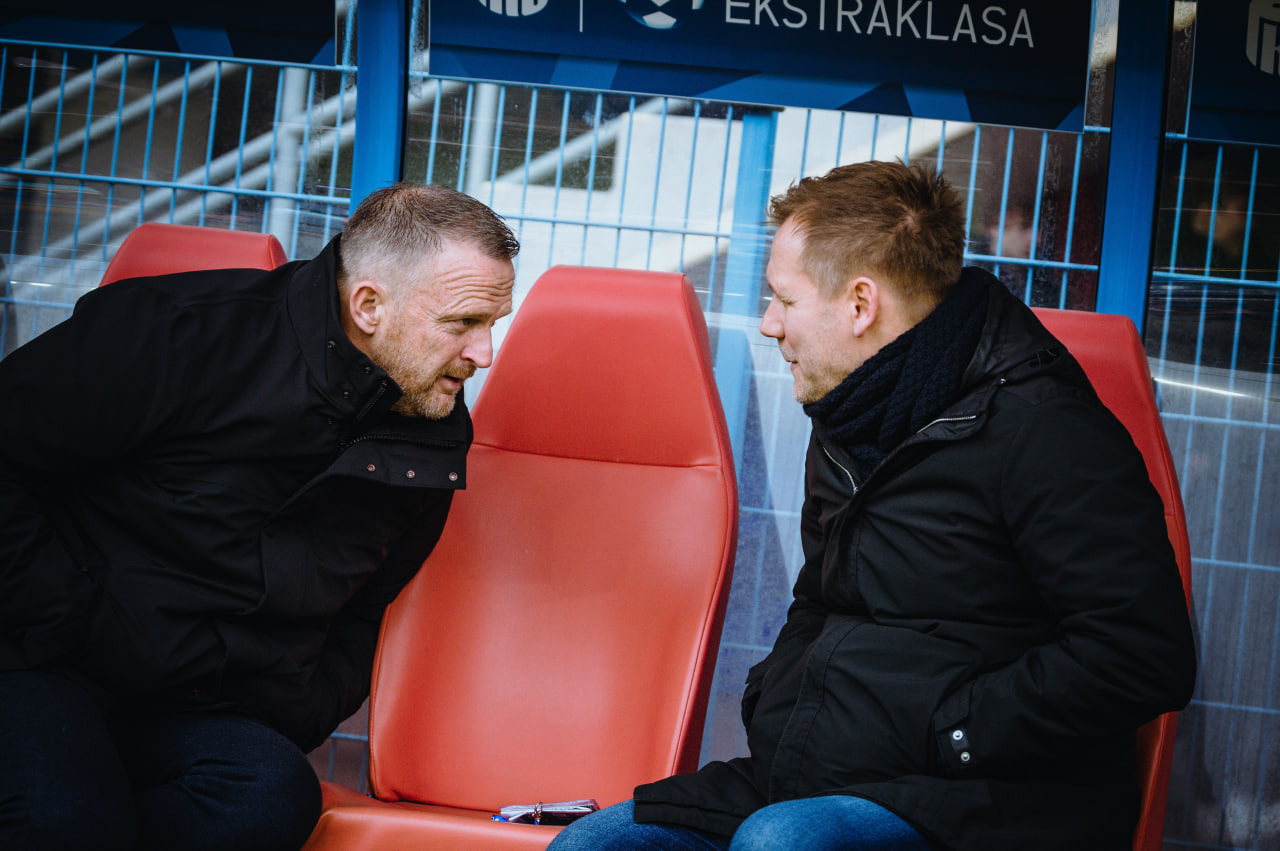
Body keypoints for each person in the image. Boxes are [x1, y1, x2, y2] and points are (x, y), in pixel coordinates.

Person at [549, 161, 1197, 851]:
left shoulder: (1047, 429)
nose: (767, 324)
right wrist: (775, 700)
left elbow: (1140, 654)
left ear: (860, 304)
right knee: (591, 845)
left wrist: (956, 734)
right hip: (817, 778)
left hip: (990, 800)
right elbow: (819, 598)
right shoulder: (851, 412)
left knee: (781, 842)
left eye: (784, 299)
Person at [0, 182, 519, 850]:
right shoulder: (183, 330)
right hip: (44, 658)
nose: (484, 353)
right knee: (66, 816)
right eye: (462, 323)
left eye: (493, 324)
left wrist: (295, 708)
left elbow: (366, 609)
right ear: (369, 306)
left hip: (197, 705)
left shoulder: (432, 432)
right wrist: (64, 616)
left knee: (269, 794)